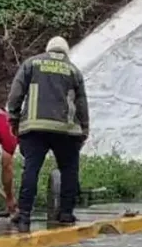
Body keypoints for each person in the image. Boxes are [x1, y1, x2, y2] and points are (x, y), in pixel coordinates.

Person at [6, 36, 89, 232]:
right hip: (65, 130)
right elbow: (81, 103)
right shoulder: (73, 70)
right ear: (65, 52)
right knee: (69, 170)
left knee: (31, 170)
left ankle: (25, 215)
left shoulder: (31, 63)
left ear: (48, 48)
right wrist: (84, 128)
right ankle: (66, 214)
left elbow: (16, 93)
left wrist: (13, 118)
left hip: (35, 129)